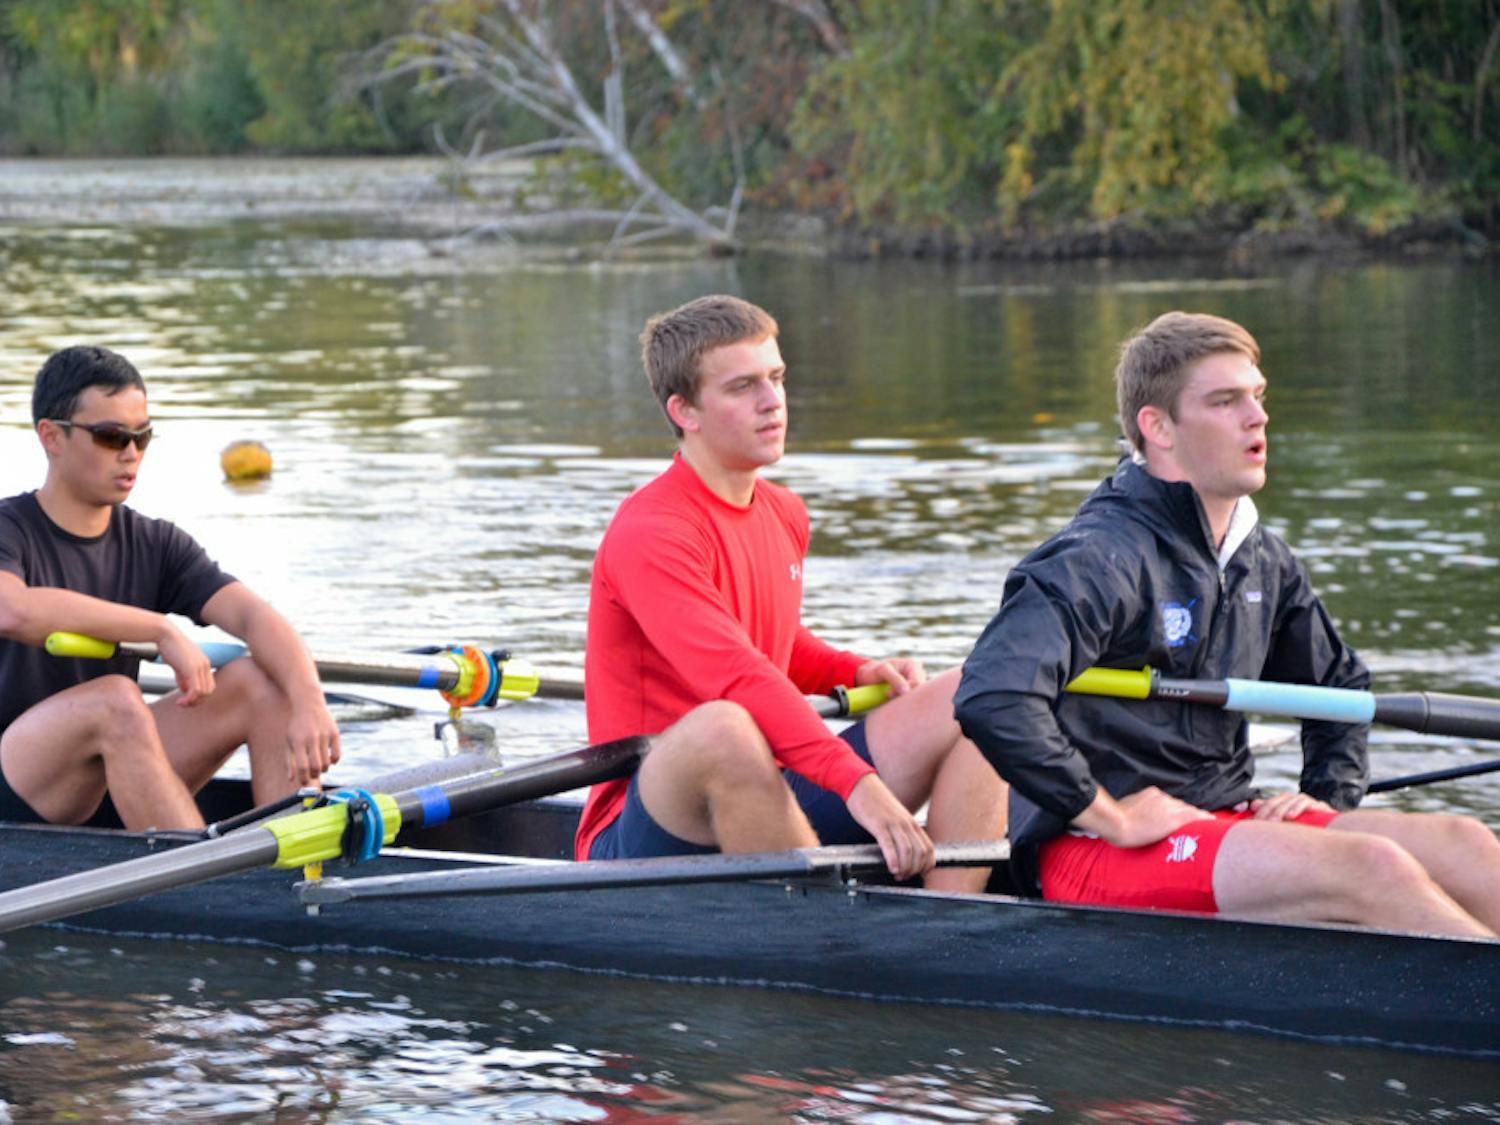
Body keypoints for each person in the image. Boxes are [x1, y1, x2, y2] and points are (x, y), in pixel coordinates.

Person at [954, 311, 1500, 937]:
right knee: (1374, 867)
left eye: (1258, 396)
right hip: (1094, 847)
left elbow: (1340, 688)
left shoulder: (1261, 558)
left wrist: (1326, 795)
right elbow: (994, 695)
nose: (1257, 417)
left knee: (1469, 845)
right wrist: (1110, 817)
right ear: (1157, 427)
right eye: (1225, 401)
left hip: (1223, 817)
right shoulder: (1098, 558)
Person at [576, 295, 1005, 892]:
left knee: (985, 688)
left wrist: (852, 670)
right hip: (648, 828)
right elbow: (737, 673)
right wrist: (859, 786)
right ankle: (823, 932)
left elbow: (771, 639)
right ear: (685, 410)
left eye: (776, 378)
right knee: (725, 727)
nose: (772, 400)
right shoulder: (652, 533)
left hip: (769, 788)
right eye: (743, 386)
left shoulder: (784, 512)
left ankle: (947, 925)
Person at [0, 345, 340, 832]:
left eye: (142, 436)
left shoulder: (155, 542)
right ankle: (208, 874)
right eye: (111, 436)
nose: (131, 454)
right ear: (52, 436)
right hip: (17, 786)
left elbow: (253, 617)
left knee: (261, 680)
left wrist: (309, 701)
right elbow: (11, 610)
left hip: (111, 767)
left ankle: (299, 861)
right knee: (117, 700)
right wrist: (159, 629)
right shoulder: (9, 529)